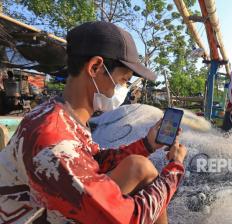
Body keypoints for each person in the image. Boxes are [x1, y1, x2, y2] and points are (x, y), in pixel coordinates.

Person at [0, 21, 187, 224]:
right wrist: (174, 168)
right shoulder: (54, 138)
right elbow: (131, 217)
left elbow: (94, 161)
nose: (122, 89)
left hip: (50, 210)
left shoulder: (64, 115)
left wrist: (148, 144)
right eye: (124, 80)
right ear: (95, 67)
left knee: (139, 166)